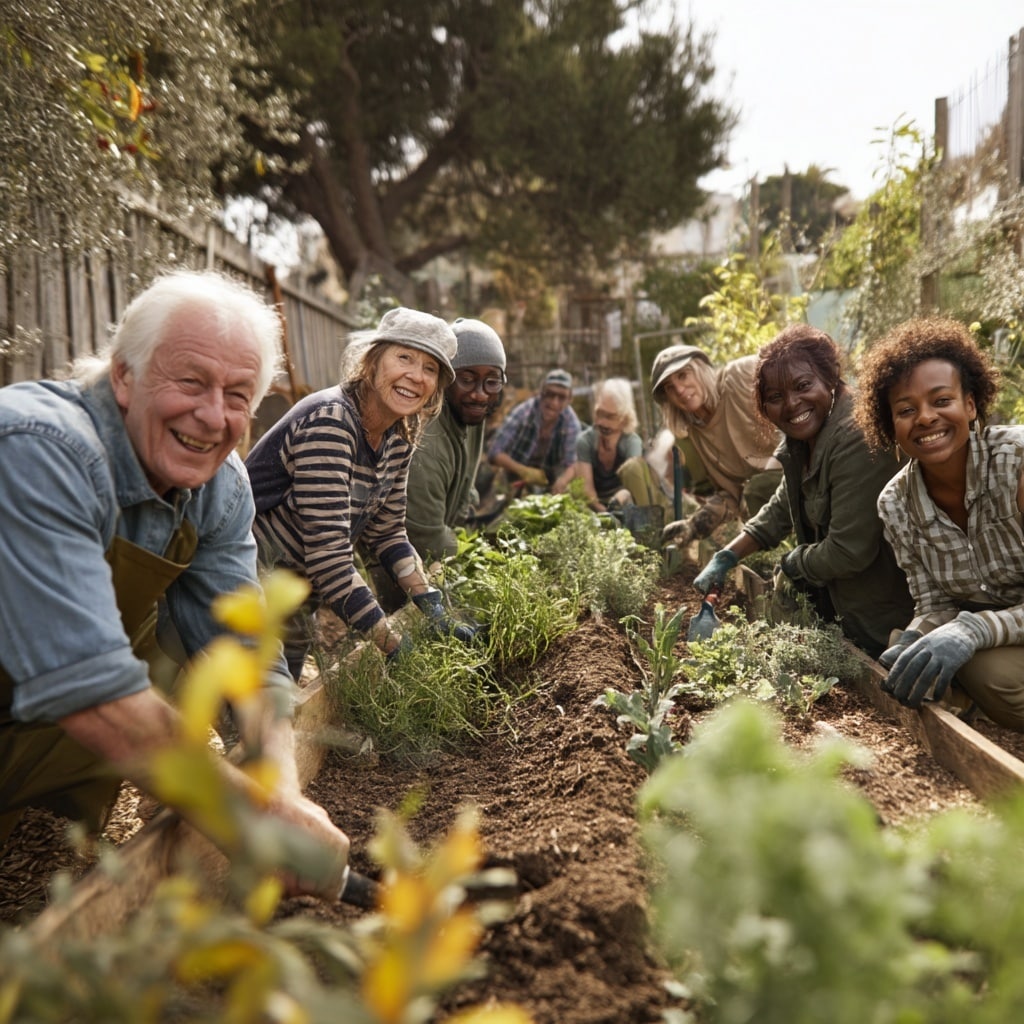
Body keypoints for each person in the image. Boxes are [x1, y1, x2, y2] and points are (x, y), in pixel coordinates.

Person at [0, 269, 350, 898]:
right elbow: (93, 689)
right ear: (124, 376)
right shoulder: (38, 448)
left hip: (39, 710)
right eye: (191, 381)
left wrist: (281, 783)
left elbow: (244, 653)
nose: (213, 416)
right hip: (64, 692)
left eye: (239, 394)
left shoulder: (219, 485)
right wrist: (248, 818)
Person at [245, 307, 477, 678]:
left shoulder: (399, 434)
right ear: (373, 361)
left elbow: (387, 531)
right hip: (249, 581)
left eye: (430, 369)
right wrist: (392, 642)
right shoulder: (332, 422)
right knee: (248, 703)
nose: (416, 376)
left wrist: (431, 602)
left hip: (296, 592)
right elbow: (330, 557)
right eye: (404, 357)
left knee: (279, 701)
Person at [692, 325, 913, 658]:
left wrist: (793, 565)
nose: (792, 404)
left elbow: (847, 552)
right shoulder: (804, 438)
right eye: (775, 397)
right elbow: (781, 506)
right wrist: (726, 557)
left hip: (880, 623)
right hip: (843, 613)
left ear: (830, 377)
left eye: (803, 385)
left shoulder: (856, 436)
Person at [855, 316, 1024, 730]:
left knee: (986, 669)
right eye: (906, 410)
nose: (926, 418)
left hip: (1002, 629)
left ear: (970, 404)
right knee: (921, 654)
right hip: (1010, 633)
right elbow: (934, 603)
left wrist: (972, 630)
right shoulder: (895, 504)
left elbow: (967, 625)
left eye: (941, 400)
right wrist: (916, 635)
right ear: (890, 426)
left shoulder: (1016, 464)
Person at [652, 344, 783, 547]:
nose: (679, 389)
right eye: (670, 387)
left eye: (683, 376)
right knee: (752, 497)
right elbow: (732, 496)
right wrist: (694, 526)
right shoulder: (696, 436)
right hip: (782, 498)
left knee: (756, 491)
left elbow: (797, 370)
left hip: (815, 467)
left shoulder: (740, 375)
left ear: (699, 370)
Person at [404, 318, 507, 563]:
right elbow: (426, 539)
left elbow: (466, 478)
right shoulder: (427, 442)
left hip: (437, 547)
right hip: (405, 564)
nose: (480, 394)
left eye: (492, 381)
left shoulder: (468, 413)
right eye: (467, 379)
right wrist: (479, 559)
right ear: (444, 379)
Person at [552, 377, 644, 512]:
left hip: (624, 504)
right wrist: (606, 515)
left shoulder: (631, 443)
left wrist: (619, 505)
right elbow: (587, 490)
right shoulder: (585, 441)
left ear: (624, 418)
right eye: (599, 414)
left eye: (610, 417)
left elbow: (633, 488)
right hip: (594, 505)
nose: (601, 422)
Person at [487, 368, 581, 489]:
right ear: (541, 393)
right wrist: (523, 471)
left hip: (548, 483)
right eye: (550, 394)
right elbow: (494, 452)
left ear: (569, 400)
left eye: (561, 397)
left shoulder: (571, 423)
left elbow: (572, 463)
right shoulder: (524, 412)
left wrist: (562, 482)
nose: (554, 402)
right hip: (513, 478)